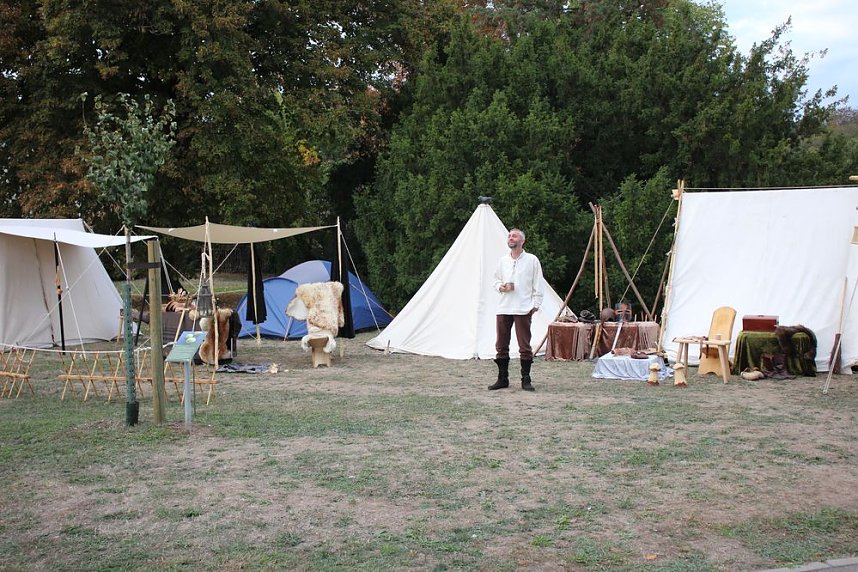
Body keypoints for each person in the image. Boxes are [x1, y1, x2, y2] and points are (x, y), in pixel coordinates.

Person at [489, 228, 544, 391]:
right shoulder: (503, 260)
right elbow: (495, 279)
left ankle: (525, 379)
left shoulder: (532, 260)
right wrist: (500, 286)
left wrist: (535, 305)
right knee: (501, 344)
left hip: (523, 307)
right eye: (509, 235)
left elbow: (538, 283)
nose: (511, 238)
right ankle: (502, 378)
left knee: (524, 345)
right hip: (504, 307)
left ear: (522, 241)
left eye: (514, 236)